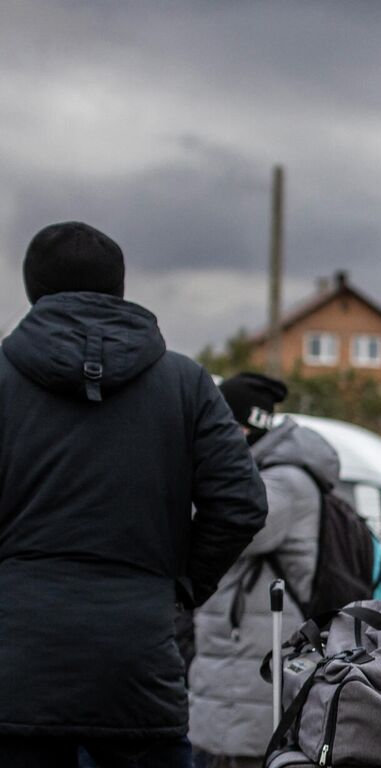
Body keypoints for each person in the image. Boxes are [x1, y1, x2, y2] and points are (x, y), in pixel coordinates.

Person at [0, 222, 267, 768]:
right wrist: (181, 585)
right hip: (137, 654)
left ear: (33, 290)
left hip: (15, 658)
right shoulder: (185, 382)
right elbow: (240, 502)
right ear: (120, 287)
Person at [188, 373, 343, 768]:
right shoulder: (265, 476)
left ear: (240, 427)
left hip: (251, 677)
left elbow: (227, 525)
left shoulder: (282, 482)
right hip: (238, 670)